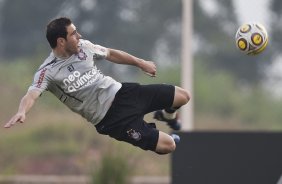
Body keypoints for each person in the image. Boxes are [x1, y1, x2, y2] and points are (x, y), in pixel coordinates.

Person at [4, 17, 190, 154]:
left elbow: (111, 54)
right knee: (169, 146)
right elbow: (31, 94)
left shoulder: (84, 46)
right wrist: (22, 111)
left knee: (183, 96)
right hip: (112, 120)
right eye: (73, 34)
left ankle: (166, 115)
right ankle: (151, 129)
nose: (79, 36)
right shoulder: (48, 72)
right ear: (61, 41)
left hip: (124, 93)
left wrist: (140, 63)